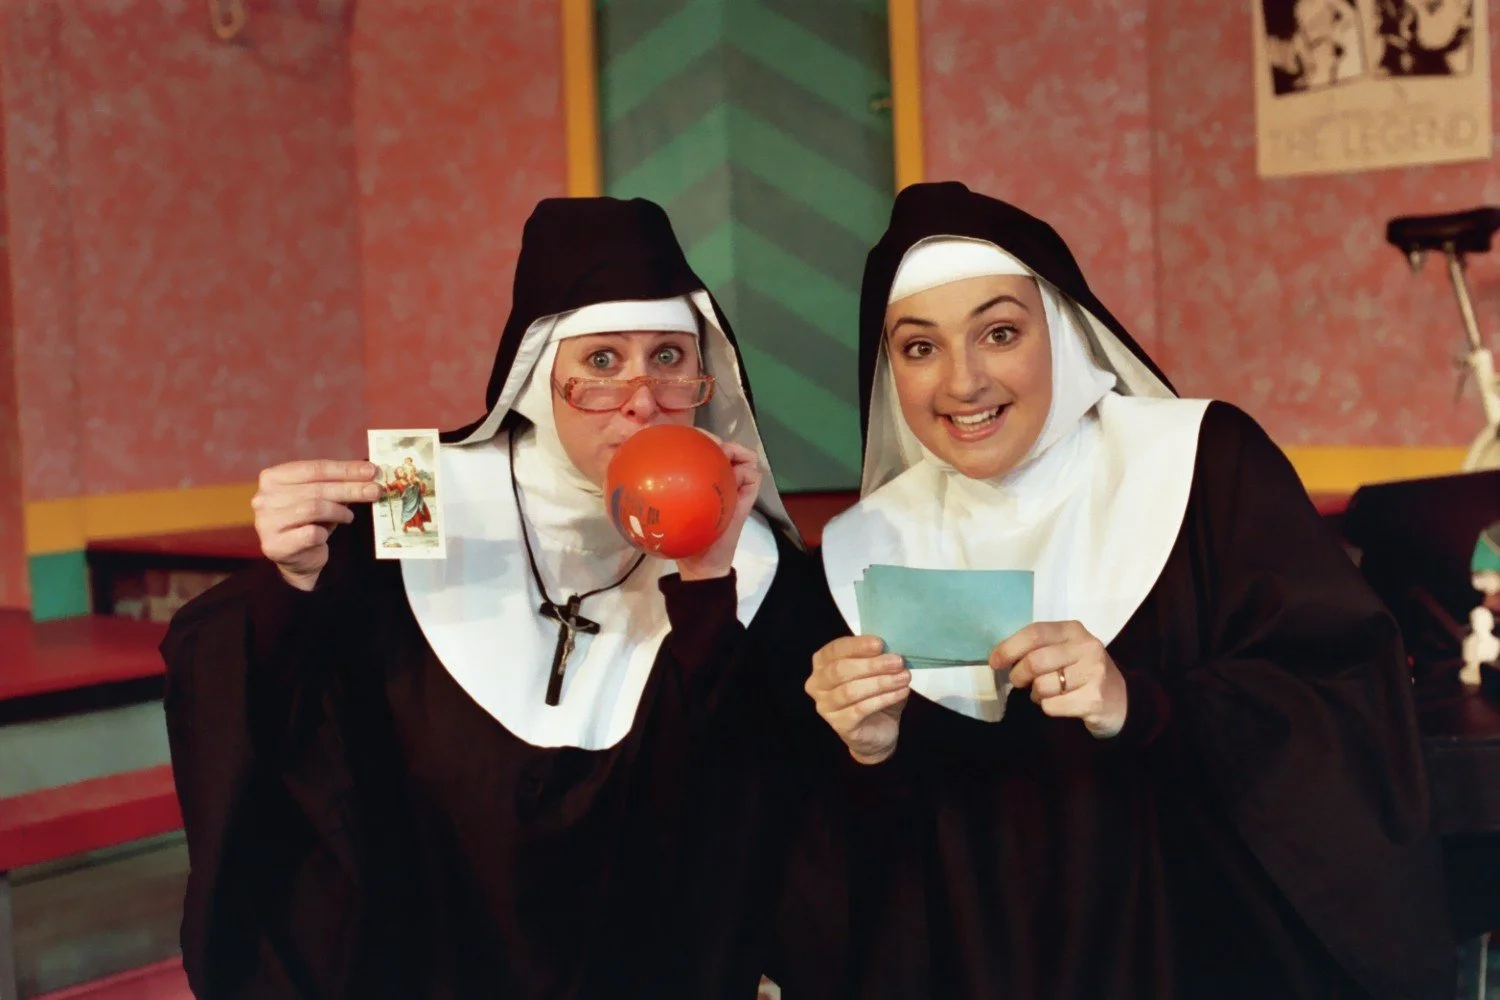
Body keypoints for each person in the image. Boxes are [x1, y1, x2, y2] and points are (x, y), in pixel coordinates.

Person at [162, 196, 840, 999]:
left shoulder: (751, 566)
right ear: (532, 378)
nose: (641, 398)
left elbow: (735, 814)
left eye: (668, 358)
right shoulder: (413, 503)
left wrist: (708, 576)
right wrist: (293, 582)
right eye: (599, 362)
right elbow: (268, 707)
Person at [798, 182, 1452, 999]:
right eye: (919, 348)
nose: (962, 383)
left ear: (1064, 333)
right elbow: (850, 874)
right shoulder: (865, 546)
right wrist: (867, 753)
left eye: (999, 333)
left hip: (1195, 958)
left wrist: (1140, 704)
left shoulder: (1202, 465)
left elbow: (1343, 697)